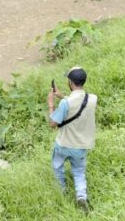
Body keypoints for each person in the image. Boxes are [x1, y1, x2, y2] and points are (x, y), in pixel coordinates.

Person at [47, 66, 98, 212]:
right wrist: (62, 95)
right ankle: (81, 196)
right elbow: (78, 104)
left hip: (63, 145)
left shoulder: (66, 103)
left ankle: (61, 192)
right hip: (81, 146)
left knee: (58, 167)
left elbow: (52, 124)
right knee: (79, 171)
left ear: (70, 82)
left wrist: (51, 103)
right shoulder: (92, 99)